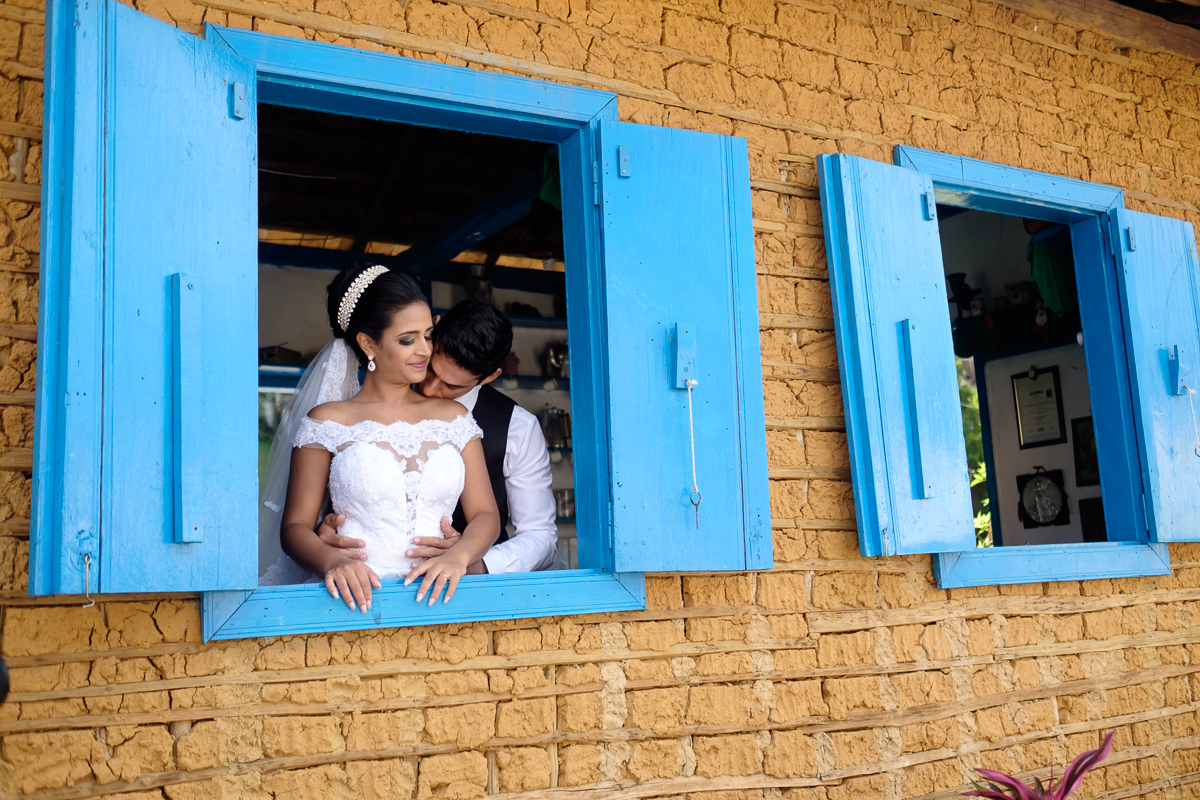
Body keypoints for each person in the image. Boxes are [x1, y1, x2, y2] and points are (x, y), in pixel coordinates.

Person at [261, 265, 501, 611]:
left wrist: (459, 558)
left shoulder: (455, 419)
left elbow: (485, 515)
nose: (424, 351)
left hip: (448, 594)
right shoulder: (328, 421)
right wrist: (332, 561)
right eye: (407, 339)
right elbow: (295, 527)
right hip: (355, 599)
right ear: (368, 343)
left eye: (428, 335)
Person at [318, 298, 558, 574]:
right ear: (433, 327)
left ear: (490, 377)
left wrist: (472, 564)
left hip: (471, 593)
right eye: (431, 369)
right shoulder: (358, 401)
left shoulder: (517, 427)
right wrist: (322, 535)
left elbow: (541, 536)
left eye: (452, 386)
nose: (430, 389)